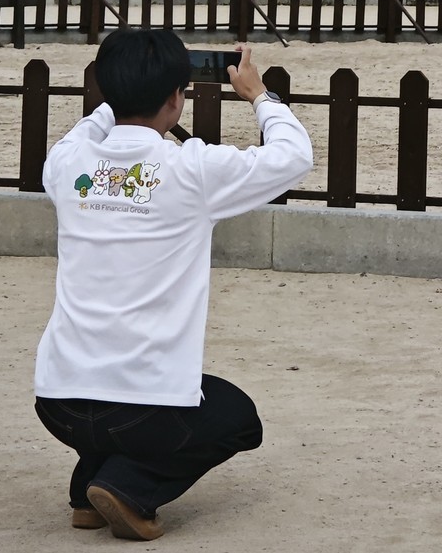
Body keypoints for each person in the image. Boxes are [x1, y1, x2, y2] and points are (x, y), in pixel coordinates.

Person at [34, 30, 313, 540]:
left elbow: (86, 130)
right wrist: (259, 95)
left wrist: (118, 97)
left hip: (58, 403)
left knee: (113, 398)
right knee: (236, 417)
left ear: (105, 90)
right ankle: (128, 485)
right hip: (144, 407)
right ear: (175, 98)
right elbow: (293, 156)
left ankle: (86, 492)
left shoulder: (66, 166)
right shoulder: (190, 169)